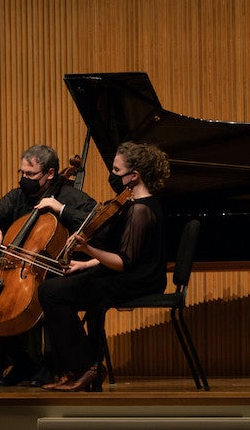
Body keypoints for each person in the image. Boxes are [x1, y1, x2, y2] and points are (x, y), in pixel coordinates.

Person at [37, 141, 171, 392]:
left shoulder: (141, 210)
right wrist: (86, 263)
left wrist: (87, 248)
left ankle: (85, 366)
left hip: (138, 280)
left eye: (117, 171)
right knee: (53, 288)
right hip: (130, 274)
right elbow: (124, 254)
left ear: (135, 175)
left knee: (51, 292)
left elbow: (123, 262)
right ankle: (82, 365)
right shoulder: (132, 204)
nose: (113, 175)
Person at [0, 144, 99, 385]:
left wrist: (61, 209)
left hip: (60, 270)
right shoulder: (17, 196)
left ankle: (50, 366)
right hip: (20, 269)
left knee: (45, 294)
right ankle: (22, 364)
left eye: (30, 175)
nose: (24, 179)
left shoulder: (69, 196)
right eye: (21, 173)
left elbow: (97, 218)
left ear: (50, 174)